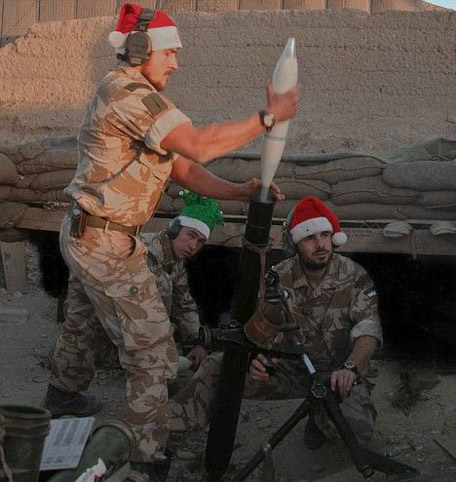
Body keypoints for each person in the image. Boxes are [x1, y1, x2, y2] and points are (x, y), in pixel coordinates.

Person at [41, 1, 299, 478]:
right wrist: (268, 116)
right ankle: (147, 459)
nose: (176, 63)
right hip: (105, 244)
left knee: (85, 319)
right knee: (152, 355)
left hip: (90, 235)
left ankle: (63, 395)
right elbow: (197, 145)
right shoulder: (129, 93)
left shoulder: (132, 96)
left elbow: (181, 167)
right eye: (170, 52)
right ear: (141, 49)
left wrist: (237, 191)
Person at [169, 196, 383, 451]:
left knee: (356, 433)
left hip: (338, 375)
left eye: (325, 235)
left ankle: (319, 416)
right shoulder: (277, 277)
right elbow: (263, 328)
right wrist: (260, 359)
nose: (320, 244)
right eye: (309, 238)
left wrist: (350, 367)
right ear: (295, 243)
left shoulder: (354, 275)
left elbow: (368, 329)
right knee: (218, 367)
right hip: (290, 371)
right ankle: (163, 438)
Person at [142, 191, 224, 374]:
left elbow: (184, 304)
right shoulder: (146, 251)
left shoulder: (176, 262)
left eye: (200, 242)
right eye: (191, 235)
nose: (193, 246)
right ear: (174, 229)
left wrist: (199, 341)